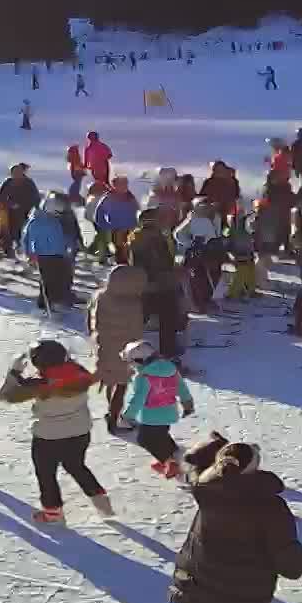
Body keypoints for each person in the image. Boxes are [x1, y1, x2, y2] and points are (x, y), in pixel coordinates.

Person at [168, 433, 302, 603]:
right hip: (245, 577)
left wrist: (217, 448)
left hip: (201, 563)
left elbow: (194, 459)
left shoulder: (204, 487)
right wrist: (294, 564)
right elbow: (283, 545)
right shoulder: (269, 505)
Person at [0, 340, 112, 524]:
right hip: (80, 432)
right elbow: (67, 371)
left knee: (46, 474)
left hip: (48, 438)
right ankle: (102, 502)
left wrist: (14, 373)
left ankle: (52, 512)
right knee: (76, 466)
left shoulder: (39, 384)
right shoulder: (80, 373)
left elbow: (6, 396)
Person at [121, 341, 195, 478]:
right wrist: (187, 404)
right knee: (161, 434)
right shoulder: (172, 370)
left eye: (132, 362)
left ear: (140, 361)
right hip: (169, 412)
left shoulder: (144, 377)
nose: (131, 366)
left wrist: (128, 415)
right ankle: (173, 451)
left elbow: (138, 399)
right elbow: (182, 388)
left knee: (145, 439)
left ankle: (169, 463)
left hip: (151, 416)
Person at [89, 265, 145, 434]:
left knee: (110, 380)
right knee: (121, 386)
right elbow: (137, 329)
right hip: (124, 350)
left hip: (104, 346)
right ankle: (114, 420)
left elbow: (92, 320)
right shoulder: (133, 304)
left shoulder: (101, 297)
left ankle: (110, 410)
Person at [131, 210, 185, 358]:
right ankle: (168, 351)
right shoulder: (153, 238)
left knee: (140, 318)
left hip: (146, 284)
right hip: (158, 284)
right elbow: (157, 263)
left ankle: (128, 346)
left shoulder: (137, 236)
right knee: (167, 317)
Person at [23, 194, 77, 310]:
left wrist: (68, 246)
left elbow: (61, 236)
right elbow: (30, 239)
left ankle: (58, 299)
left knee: (59, 277)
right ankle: (44, 302)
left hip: (59, 254)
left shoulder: (55, 221)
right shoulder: (36, 222)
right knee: (47, 279)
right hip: (43, 256)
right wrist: (31, 253)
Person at [92, 176, 140, 264]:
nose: (124, 187)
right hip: (116, 229)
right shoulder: (109, 198)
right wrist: (106, 226)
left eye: (125, 184)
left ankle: (127, 265)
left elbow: (137, 212)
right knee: (120, 250)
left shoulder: (130, 198)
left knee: (129, 250)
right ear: (115, 186)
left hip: (130, 229)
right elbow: (98, 214)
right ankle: (121, 266)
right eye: (121, 184)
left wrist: (137, 225)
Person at [0, 164, 40, 259]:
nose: (17, 174)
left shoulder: (28, 183)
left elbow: (36, 197)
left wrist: (34, 209)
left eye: (19, 172)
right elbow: (2, 197)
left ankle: (26, 252)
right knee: (7, 232)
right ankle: (6, 250)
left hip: (26, 212)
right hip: (10, 212)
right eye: (14, 173)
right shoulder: (8, 183)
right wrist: (10, 204)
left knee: (25, 232)